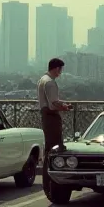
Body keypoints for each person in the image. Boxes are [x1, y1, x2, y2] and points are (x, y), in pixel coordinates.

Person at [38, 58, 71, 189]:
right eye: (60, 70)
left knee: (49, 147)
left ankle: (47, 177)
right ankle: (51, 178)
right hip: (51, 116)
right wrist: (65, 107)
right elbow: (53, 103)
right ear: (57, 68)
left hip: (45, 115)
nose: (61, 73)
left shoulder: (42, 80)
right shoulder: (50, 82)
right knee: (54, 147)